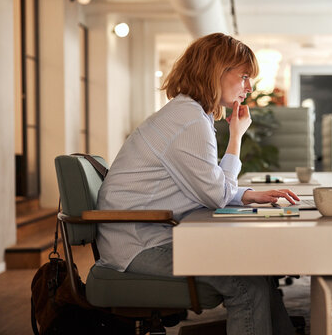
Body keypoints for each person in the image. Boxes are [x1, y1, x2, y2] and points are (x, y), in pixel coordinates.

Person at [96, 33, 299, 334]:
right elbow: (216, 194)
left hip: (149, 236)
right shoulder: (189, 120)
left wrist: (248, 195)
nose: (249, 87)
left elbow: (212, 186)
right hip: (140, 246)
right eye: (243, 76)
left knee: (256, 272)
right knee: (248, 284)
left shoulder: (189, 114)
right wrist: (236, 137)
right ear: (215, 70)